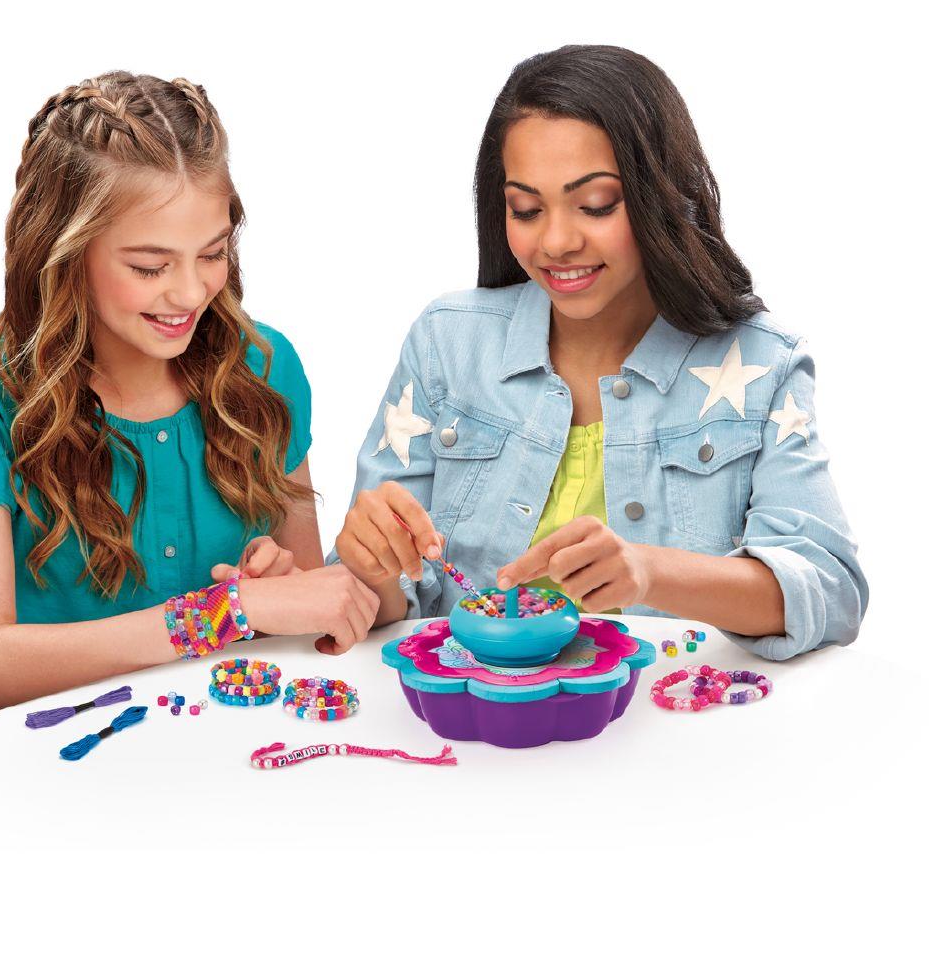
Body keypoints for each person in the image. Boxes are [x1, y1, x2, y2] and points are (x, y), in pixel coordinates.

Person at [331, 44, 868, 661]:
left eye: (595, 205)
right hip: (475, 713)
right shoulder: (447, 343)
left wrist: (650, 572)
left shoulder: (763, 363)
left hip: (672, 714)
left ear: (661, 195)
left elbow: (829, 590)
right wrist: (372, 564)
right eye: (526, 209)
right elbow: (383, 602)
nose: (557, 241)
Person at [0, 71, 377, 714]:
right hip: (60, 758)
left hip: (233, 742)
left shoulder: (265, 368)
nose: (190, 293)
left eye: (212, 253)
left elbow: (306, 616)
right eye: (149, 266)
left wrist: (280, 586)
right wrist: (224, 611)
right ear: (64, 251)